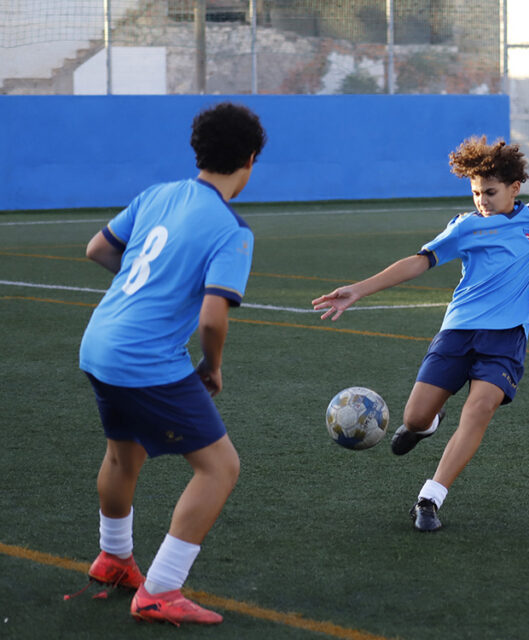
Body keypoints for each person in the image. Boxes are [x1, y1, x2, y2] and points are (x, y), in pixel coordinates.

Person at [313, 114, 529, 533]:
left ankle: (430, 497)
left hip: (506, 338)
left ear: (514, 188)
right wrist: (360, 288)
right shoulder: (465, 226)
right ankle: (427, 425)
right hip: (458, 331)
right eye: (475, 192)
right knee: (413, 418)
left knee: (479, 409)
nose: (481, 200)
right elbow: (419, 261)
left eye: (489, 192)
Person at [77, 102, 265, 626]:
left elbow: (98, 249)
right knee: (220, 467)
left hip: (99, 345)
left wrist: (146, 280)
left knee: (123, 455)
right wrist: (212, 365)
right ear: (250, 161)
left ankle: (114, 559)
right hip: (143, 359)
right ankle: (160, 589)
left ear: (198, 151)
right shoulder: (232, 229)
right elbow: (211, 316)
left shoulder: (157, 194)